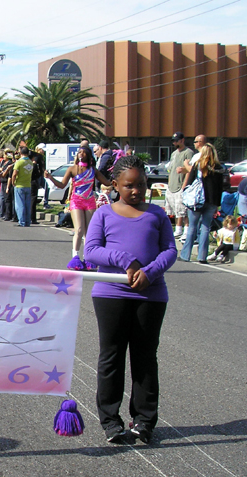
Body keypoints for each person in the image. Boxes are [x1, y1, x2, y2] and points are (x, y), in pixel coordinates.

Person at [84, 155, 177, 444]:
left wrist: (150, 272)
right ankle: (111, 421)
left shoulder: (157, 214)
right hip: (111, 293)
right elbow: (91, 251)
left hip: (151, 294)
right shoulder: (103, 214)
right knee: (111, 356)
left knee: (145, 357)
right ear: (115, 185)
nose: (137, 191)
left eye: (142, 185)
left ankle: (144, 420)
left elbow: (170, 250)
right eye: (129, 186)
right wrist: (125, 260)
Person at [46, 146, 112, 269]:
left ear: (89, 155)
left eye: (83, 152)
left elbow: (107, 182)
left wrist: (116, 175)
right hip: (76, 201)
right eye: (79, 152)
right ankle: (75, 257)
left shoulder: (93, 170)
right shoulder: (72, 169)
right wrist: (50, 177)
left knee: (89, 232)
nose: (81, 154)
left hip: (90, 201)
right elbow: (62, 185)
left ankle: (88, 257)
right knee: (79, 229)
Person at [179, 144, 225, 264]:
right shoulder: (218, 168)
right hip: (211, 200)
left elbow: (190, 181)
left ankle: (185, 255)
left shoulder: (198, 165)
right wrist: (217, 204)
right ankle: (202, 256)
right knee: (205, 228)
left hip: (197, 199)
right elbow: (220, 188)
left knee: (192, 227)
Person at [165, 132, 194, 240]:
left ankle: (186, 231)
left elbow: (189, 170)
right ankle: (178, 229)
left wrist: (184, 186)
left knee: (183, 210)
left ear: (182, 140)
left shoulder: (188, 153)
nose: (174, 143)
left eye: (176, 141)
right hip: (172, 186)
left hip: (181, 185)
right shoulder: (173, 154)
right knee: (175, 210)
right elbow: (170, 169)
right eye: (173, 141)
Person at [10, 147, 34, 227]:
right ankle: (27, 221)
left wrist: (13, 182)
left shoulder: (19, 162)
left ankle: (22, 221)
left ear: (20, 153)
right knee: (27, 204)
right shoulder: (30, 162)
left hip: (19, 185)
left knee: (20, 204)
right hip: (28, 185)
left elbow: (14, 174)